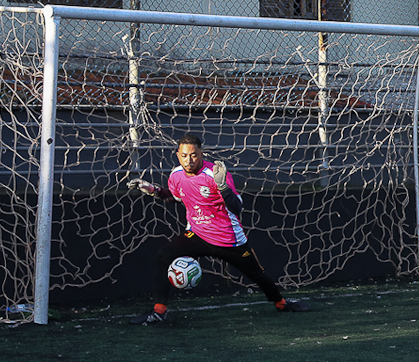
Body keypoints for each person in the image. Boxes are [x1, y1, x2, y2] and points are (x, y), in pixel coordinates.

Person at [129, 134, 308, 324]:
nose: (189, 160)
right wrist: (153, 190)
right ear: (177, 155)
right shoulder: (176, 175)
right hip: (196, 234)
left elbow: (236, 207)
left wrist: (222, 187)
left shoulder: (215, 174)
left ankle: (280, 303)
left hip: (228, 239)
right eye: (184, 155)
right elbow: (177, 196)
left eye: (193, 155)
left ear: (201, 153)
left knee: (257, 274)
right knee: (163, 256)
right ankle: (159, 312)